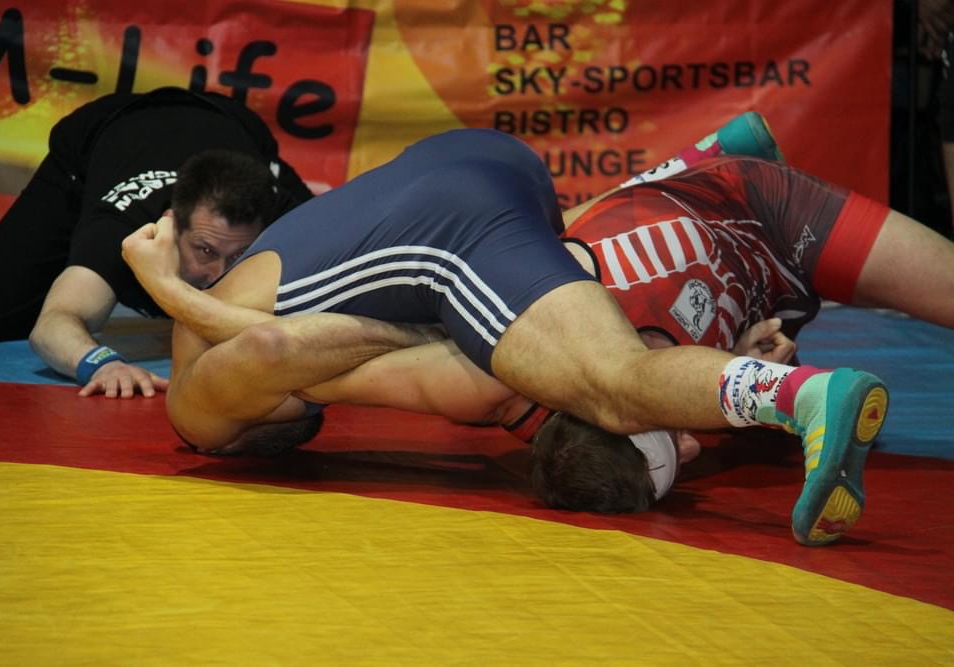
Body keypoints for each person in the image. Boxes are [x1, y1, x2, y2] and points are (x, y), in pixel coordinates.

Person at [122, 128, 891, 546]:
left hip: (452, 221)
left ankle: (800, 396)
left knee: (616, 384)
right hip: (486, 167)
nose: (690, 446)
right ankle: (711, 151)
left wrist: (162, 285)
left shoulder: (203, 410)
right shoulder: (268, 311)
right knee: (538, 305)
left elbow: (272, 350)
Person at [0, 86, 313, 398]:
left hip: (232, 122)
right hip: (106, 132)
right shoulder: (125, 227)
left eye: (239, 255)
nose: (219, 273)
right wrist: (100, 364)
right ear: (170, 226)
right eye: (205, 251)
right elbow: (54, 324)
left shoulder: (283, 213)